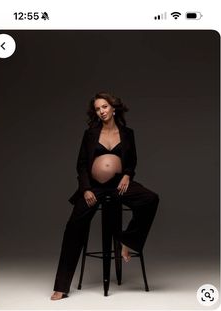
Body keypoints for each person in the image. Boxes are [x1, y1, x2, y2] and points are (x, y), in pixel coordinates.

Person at [51, 92, 159, 300]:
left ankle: (126, 242)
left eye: (105, 107)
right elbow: (81, 165)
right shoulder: (90, 134)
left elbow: (131, 162)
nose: (101, 111)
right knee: (73, 227)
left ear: (113, 108)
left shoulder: (128, 133)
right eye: (98, 109)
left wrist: (127, 175)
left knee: (150, 199)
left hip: (119, 185)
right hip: (94, 188)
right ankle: (61, 286)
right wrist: (86, 189)